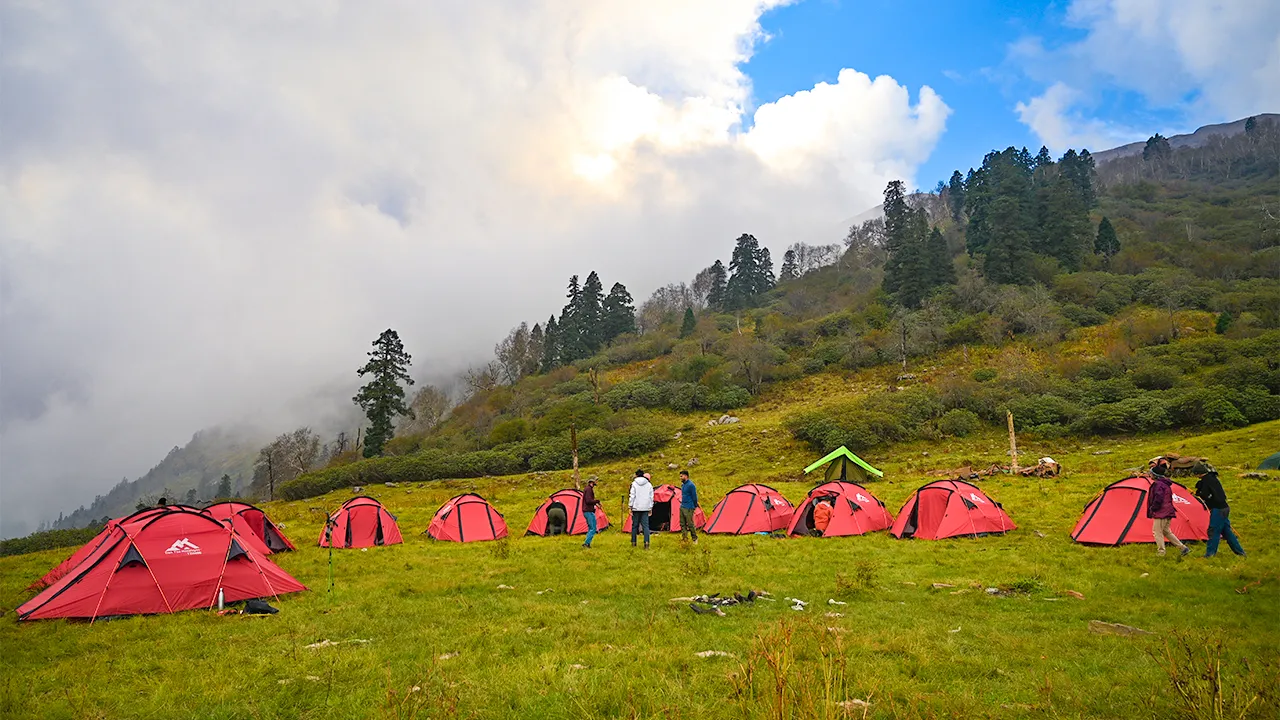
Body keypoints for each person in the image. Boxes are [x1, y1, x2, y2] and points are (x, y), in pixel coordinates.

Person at [1192, 461, 1246, 558]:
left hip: (1218, 509)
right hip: (1224, 507)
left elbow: (1206, 495)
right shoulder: (1213, 478)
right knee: (1227, 532)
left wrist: (1198, 493)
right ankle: (1241, 553)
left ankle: (1210, 554)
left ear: (1198, 473)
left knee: (1213, 530)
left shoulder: (1205, 481)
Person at [1148, 461, 1189, 557]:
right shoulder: (1165, 484)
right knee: (1166, 531)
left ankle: (1161, 552)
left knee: (1157, 531)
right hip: (1168, 511)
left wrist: (1153, 508)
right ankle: (1183, 548)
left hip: (1161, 512)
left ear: (1155, 475)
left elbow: (1158, 498)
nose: (1150, 475)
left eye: (1151, 473)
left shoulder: (1158, 485)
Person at [629, 469, 654, 549]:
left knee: (634, 526)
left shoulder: (634, 484)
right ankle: (646, 543)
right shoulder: (649, 485)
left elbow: (632, 495)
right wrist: (650, 507)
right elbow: (651, 497)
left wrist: (630, 506)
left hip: (636, 507)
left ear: (636, 475)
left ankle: (633, 542)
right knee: (646, 526)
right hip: (645, 507)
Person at [679, 470, 699, 543]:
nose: (680, 478)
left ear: (686, 476)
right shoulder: (683, 485)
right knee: (682, 523)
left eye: (681, 476)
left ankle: (695, 538)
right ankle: (685, 539)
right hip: (682, 506)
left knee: (690, 524)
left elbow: (694, 496)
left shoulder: (691, 485)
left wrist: (695, 505)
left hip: (689, 507)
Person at [581, 478, 600, 549]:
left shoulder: (587, 489)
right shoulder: (589, 489)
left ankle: (587, 543)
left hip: (587, 510)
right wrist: (597, 501)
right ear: (592, 482)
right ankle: (586, 544)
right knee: (593, 528)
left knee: (591, 528)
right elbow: (588, 501)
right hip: (588, 511)